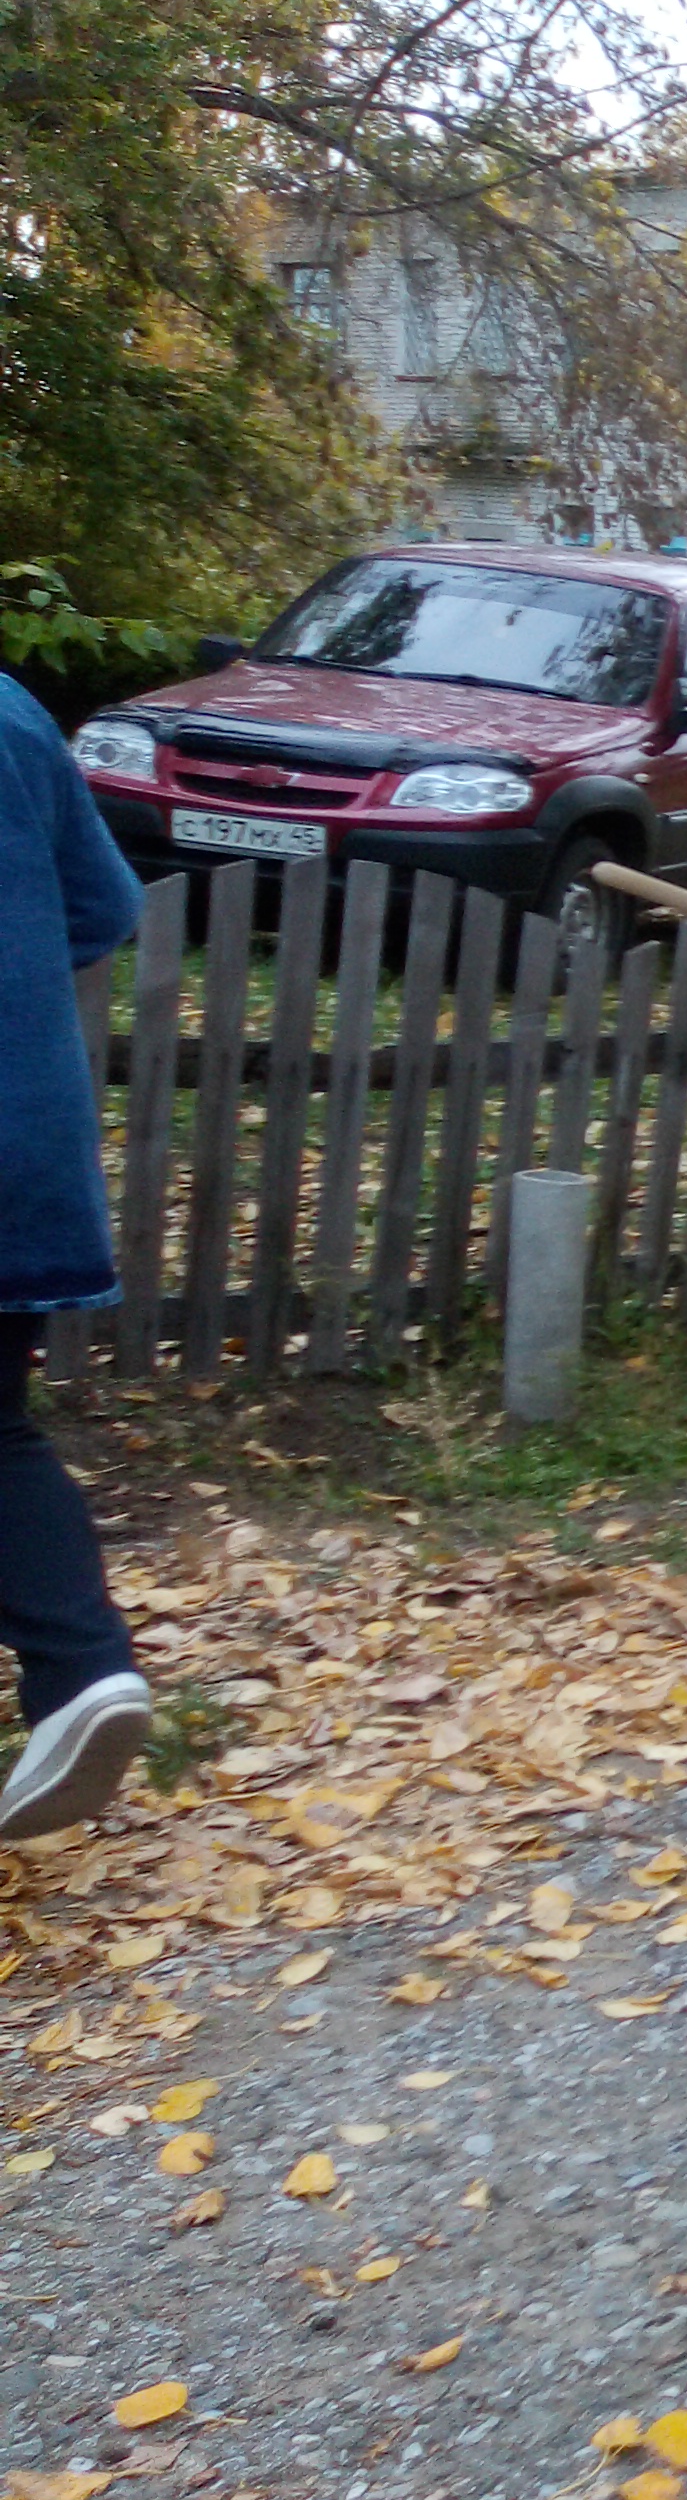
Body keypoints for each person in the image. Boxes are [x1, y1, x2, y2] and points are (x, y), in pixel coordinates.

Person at [0, 675, 155, 1838]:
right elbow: (102, 910)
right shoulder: (6, 712)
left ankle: (79, 1670)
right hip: (23, 1149)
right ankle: (81, 1673)